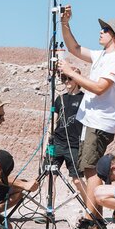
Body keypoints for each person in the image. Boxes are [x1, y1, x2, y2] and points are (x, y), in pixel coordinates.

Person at [57, 4, 115, 229]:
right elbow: (74, 48)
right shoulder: (102, 56)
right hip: (90, 121)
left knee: (91, 171)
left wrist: (72, 73)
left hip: (100, 122)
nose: (101, 31)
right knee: (90, 171)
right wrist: (65, 23)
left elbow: (100, 88)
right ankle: (95, 220)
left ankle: (91, 222)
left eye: (106, 30)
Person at [50, 68, 84, 208]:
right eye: (64, 79)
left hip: (74, 145)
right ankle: (49, 210)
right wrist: (48, 138)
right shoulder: (60, 99)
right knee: (51, 177)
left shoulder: (84, 99)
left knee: (77, 180)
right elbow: (53, 119)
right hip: (57, 142)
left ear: (77, 79)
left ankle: (91, 208)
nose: (66, 82)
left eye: (70, 78)